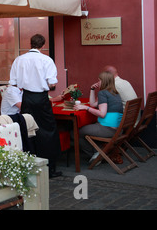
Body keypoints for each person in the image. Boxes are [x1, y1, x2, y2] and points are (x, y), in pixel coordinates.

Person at [9, 33, 62, 178]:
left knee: (28, 129)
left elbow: (13, 82)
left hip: (27, 97)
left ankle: (30, 164)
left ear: (30, 44)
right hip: (41, 98)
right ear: (43, 45)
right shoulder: (47, 60)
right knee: (47, 130)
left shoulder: (19, 60)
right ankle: (49, 168)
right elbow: (52, 83)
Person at [74, 71, 124, 164]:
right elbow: (93, 103)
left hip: (108, 128)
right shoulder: (114, 93)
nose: (98, 82)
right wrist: (92, 89)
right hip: (118, 129)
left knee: (76, 131)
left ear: (104, 81)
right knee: (85, 129)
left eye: (99, 80)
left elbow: (102, 114)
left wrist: (86, 108)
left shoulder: (103, 93)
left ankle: (96, 155)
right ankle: (99, 153)